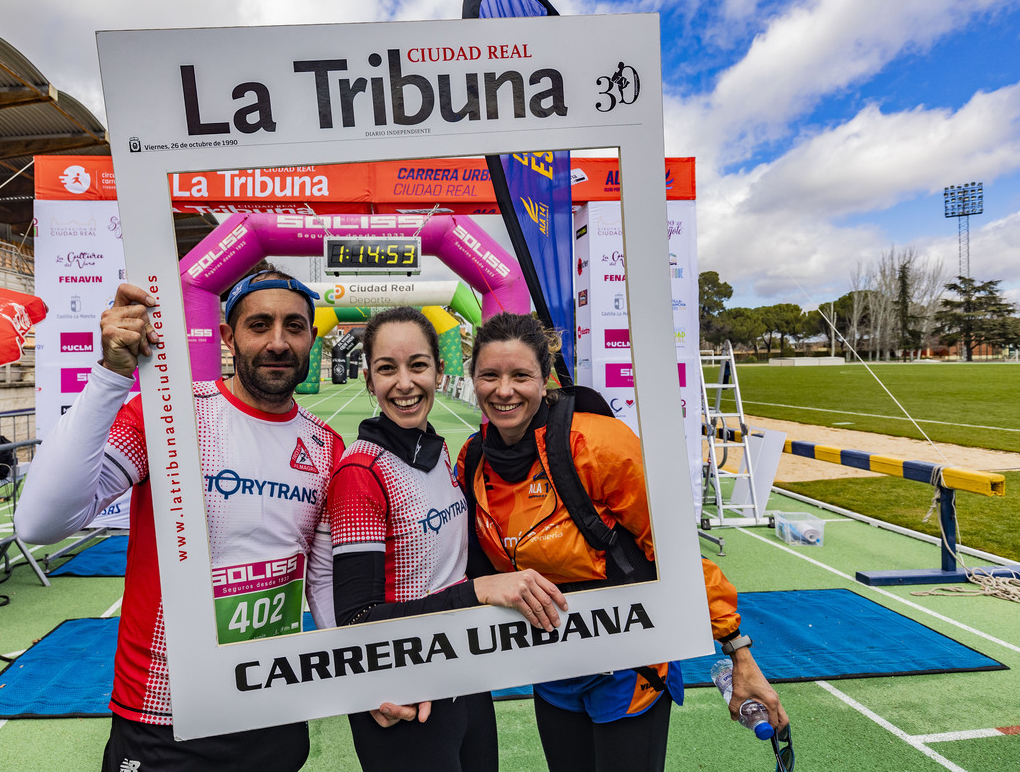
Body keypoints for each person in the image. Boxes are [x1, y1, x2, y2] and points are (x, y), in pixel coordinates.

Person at [16, 268, 345, 772]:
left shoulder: (327, 445)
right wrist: (110, 375)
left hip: (272, 705)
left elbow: (321, 581)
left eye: (294, 327)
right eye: (260, 325)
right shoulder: (172, 416)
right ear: (228, 337)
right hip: (165, 710)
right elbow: (41, 522)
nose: (278, 342)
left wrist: (369, 675)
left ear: (312, 339)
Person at [458, 312, 788, 772]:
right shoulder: (472, 459)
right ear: (472, 378)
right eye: (489, 375)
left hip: (630, 662)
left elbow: (673, 551)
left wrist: (738, 651)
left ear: (546, 378)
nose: (504, 389)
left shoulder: (599, 445)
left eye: (521, 375)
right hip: (552, 662)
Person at [328, 307, 567, 772]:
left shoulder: (438, 455)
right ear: (367, 378)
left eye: (417, 365)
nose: (404, 383)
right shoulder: (361, 472)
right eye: (386, 368)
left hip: (463, 674)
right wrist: (477, 592)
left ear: (440, 371)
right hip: (404, 694)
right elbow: (358, 619)